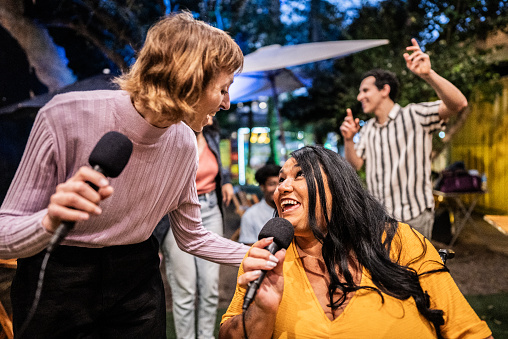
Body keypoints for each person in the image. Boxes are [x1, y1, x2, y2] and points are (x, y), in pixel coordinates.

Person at [0, 12, 250, 338]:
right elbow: (4, 234)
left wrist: (251, 252)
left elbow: (191, 236)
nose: (227, 103)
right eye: (223, 89)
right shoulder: (63, 116)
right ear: (190, 81)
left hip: (137, 282)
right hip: (58, 278)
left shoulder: (185, 143)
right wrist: (47, 222)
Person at [219, 146, 492, 339]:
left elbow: (467, 331)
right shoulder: (266, 258)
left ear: (338, 187)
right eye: (280, 180)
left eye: (299, 174)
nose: (282, 187)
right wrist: (263, 309)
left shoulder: (398, 241)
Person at [340, 38, 468, 239]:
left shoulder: (414, 115)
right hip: (379, 219)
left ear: (384, 90)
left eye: (365, 90)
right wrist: (349, 139)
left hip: (414, 217)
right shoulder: (368, 130)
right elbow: (353, 165)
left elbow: (458, 103)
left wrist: (429, 75)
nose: (359, 97)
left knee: (412, 271)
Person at [161, 115, 233, 339]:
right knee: (185, 288)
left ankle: (205, 336)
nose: (213, 115)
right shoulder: (171, 137)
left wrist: (227, 180)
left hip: (211, 209)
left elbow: (220, 164)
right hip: (177, 212)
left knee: (210, 287)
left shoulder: (211, 135)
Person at [238, 164, 281, 245]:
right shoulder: (250, 215)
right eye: (272, 184)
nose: (277, 188)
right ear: (262, 187)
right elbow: (249, 248)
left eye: (280, 183)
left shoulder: (294, 210)